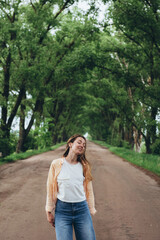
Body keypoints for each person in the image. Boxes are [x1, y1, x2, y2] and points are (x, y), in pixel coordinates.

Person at [45, 134, 97, 240]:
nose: (82, 145)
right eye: (79, 142)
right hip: (62, 211)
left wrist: (91, 208)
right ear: (70, 144)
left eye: (84, 144)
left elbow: (89, 190)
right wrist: (49, 210)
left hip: (82, 210)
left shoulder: (84, 166)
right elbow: (50, 188)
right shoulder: (56, 164)